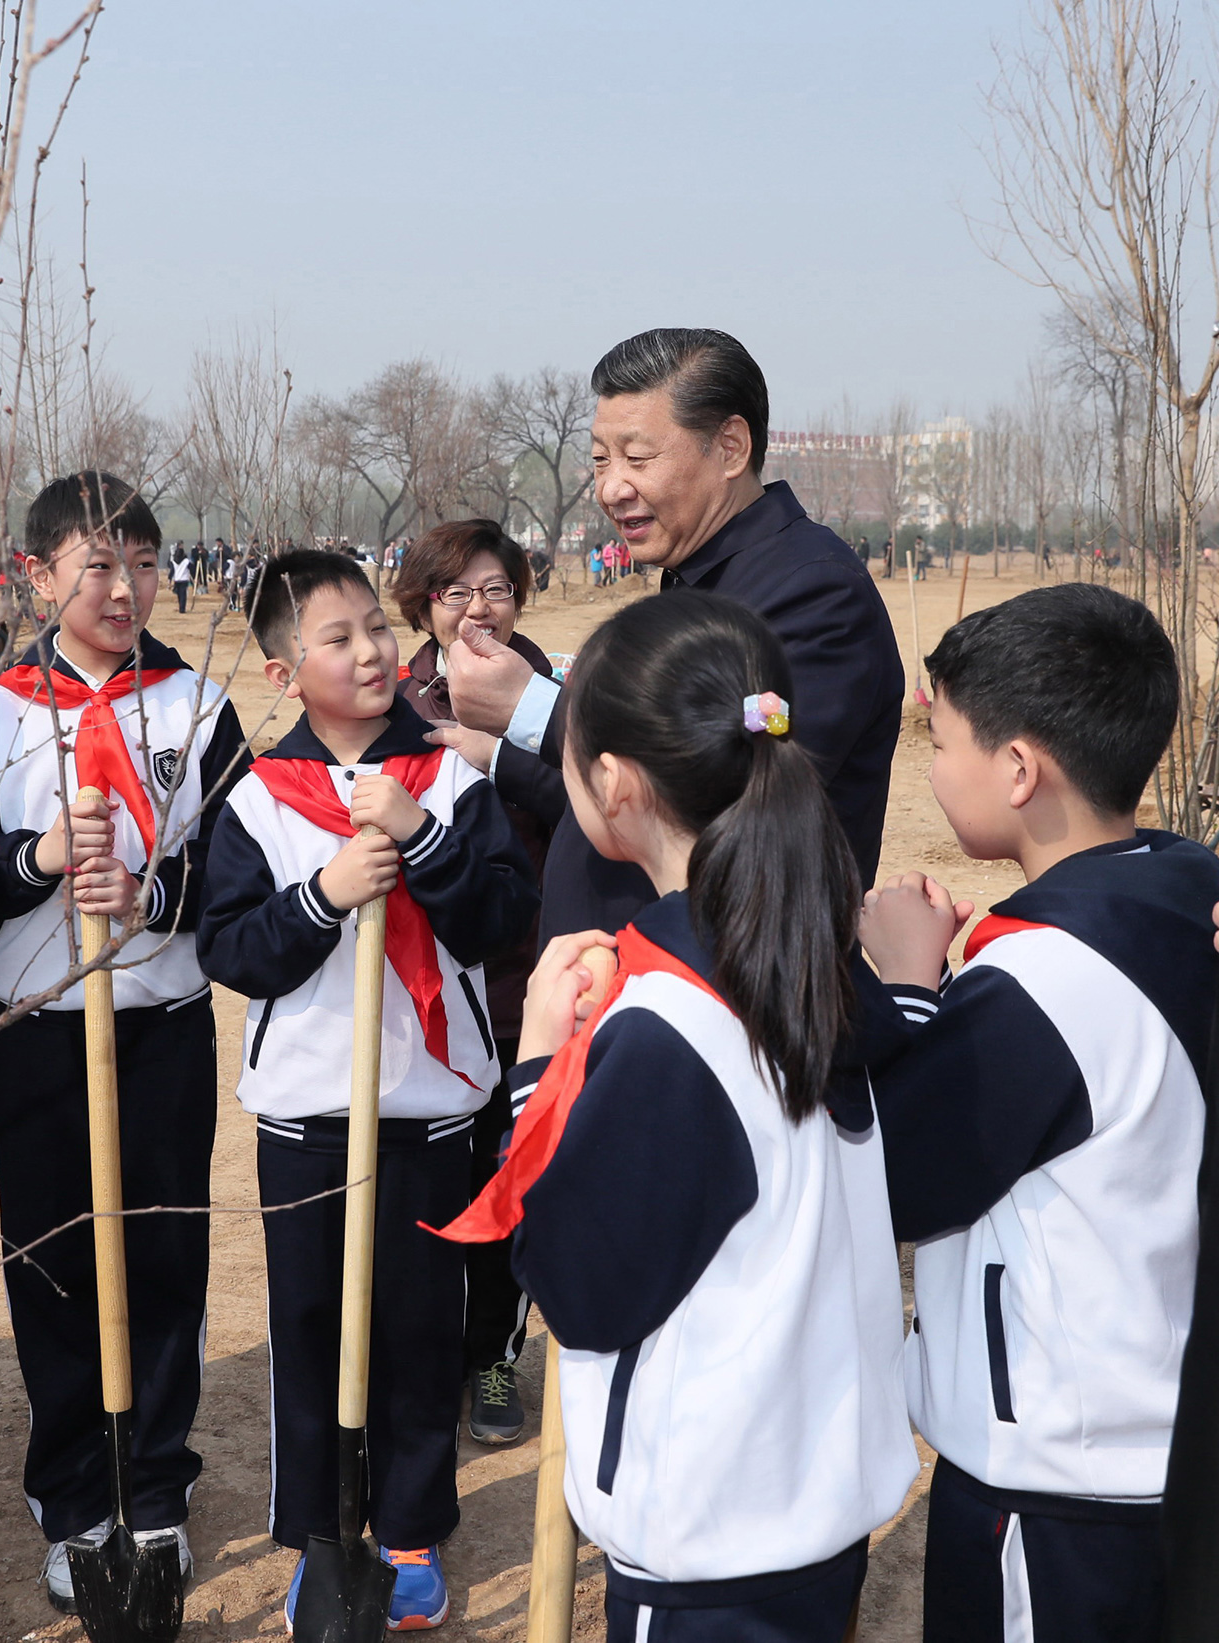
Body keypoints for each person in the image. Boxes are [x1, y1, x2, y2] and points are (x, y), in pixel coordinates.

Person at [443, 591, 916, 1638]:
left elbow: (580, 1287)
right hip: (810, 1506)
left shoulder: (672, 1024)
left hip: (709, 1546)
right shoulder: (811, 957)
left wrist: (538, 1067)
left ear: (612, 784)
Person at [856, 584, 1218, 1641]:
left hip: (1055, 1480)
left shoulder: (1045, 981)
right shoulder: (1183, 889)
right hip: (1155, 1437)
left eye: (943, 742)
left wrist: (907, 987)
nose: (933, 769)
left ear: (1019, 770)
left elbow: (897, 1174)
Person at [197, 549, 538, 1632]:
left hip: (430, 1116)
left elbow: (500, 919)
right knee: (309, 1330)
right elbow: (231, 948)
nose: (371, 652)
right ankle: (322, 1531)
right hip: (307, 1118)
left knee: (420, 1331)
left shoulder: (453, 778)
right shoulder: (258, 799)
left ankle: (410, 1527)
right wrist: (327, 892)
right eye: (336, 637)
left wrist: (420, 837)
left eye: (377, 629)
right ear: (283, 671)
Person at [0, 472, 247, 1610]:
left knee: (165, 1255)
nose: (126, 588)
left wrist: (155, 893)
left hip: (162, 1027)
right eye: (99, 565)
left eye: (144, 565)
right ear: (40, 575)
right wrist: (36, 860)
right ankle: (72, 1494)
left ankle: (154, 1483)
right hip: (39, 1033)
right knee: (52, 1262)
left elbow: (242, 867)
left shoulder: (199, 705)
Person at [433, 329, 903, 947]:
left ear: (730, 447)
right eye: (601, 461)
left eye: (638, 458)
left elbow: (745, 773)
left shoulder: (813, 593)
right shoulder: (697, 578)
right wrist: (502, 753)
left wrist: (535, 709)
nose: (611, 488)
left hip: (719, 985)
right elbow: (618, 786)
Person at [391, 519, 556, 1445]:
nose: (478, 608)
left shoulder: (556, 695)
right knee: (431, 1186)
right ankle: (428, 1357)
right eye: (456, 593)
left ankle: (494, 1352)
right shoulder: (394, 701)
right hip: (429, 990)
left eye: (495, 588)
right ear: (425, 607)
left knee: (510, 1179)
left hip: (526, 982)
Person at [170, 543, 193, 614]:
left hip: (177, 579)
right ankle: (182, 609)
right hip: (184, 580)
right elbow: (192, 569)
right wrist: (194, 576)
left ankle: (181, 606)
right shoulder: (186, 561)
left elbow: (172, 571)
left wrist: (169, 579)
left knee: (179, 594)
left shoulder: (174, 561)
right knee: (183, 595)